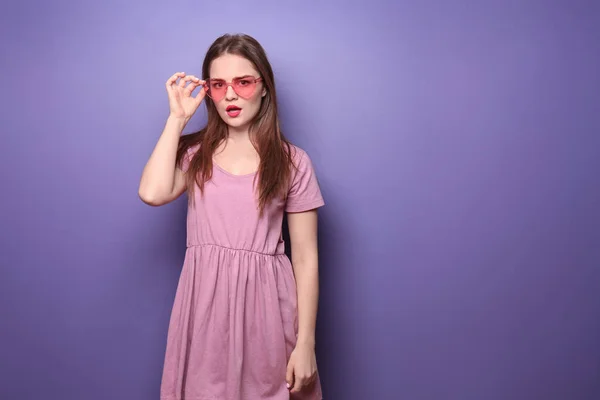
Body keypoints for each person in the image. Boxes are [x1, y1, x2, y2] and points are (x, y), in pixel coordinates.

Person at [138, 33, 325, 400]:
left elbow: (305, 259)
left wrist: (306, 343)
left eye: (244, 82)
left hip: (268, 313)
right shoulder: (195, 155)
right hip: (204, 313)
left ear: (265, 87)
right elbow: (152, 193)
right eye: (218, 85)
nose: (231, 96)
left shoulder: (292, 162)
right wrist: (176, 120)